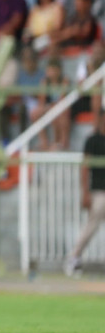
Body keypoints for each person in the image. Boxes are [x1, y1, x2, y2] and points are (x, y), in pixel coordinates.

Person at [69, 111, 105, 277]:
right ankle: (74, 257)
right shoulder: (92, 140)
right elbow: (85, 167)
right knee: (91, 226)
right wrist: (85, 192)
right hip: (99, 191)